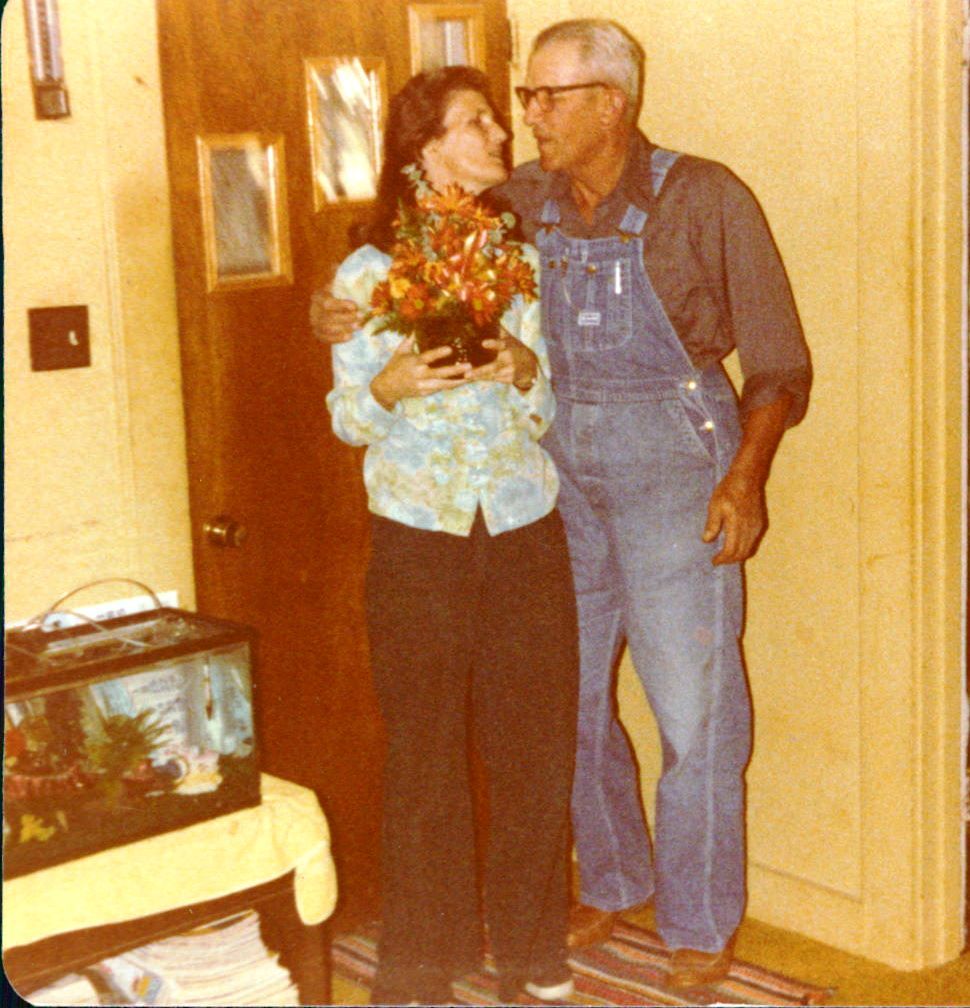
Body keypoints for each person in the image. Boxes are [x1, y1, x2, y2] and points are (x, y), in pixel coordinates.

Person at [315, 20, 811, 993]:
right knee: (565, 708)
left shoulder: (704, 197)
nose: (526, 117)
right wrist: (331, 311)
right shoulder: (524, 200)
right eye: (521, 99)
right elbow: (402, 230)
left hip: (675, 471)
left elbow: (780, 363)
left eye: (547, 97)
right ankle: (614, 878)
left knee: (693, 710)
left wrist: (745, 479)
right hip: (554, 485)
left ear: (610, 104)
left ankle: (698, 918)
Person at [326, 65, 579, 1006]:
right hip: (419, 536)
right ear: (425, 146)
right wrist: (387, 387)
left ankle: (532, 951)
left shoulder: (519, 260)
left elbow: (548, 405)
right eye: (478, 122)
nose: (500, 135)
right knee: (425, 751)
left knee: (534, 744)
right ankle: (422, 965)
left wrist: (522, 366)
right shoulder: (365, 275)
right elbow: (347, 417)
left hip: (521, 525)